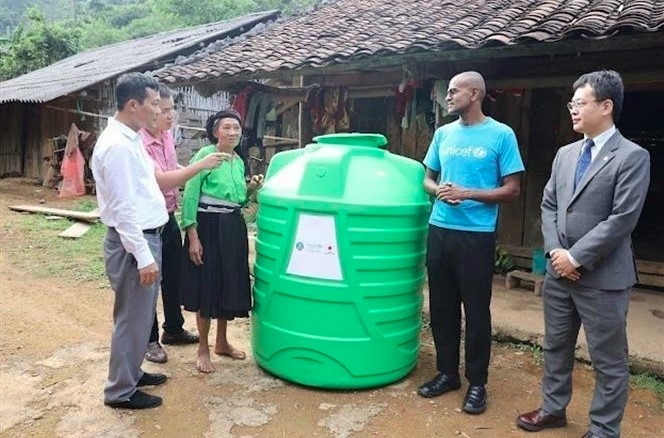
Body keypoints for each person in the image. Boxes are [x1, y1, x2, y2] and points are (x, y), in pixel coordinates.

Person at [516, 70, 650, 438]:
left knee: (609, 360)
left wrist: (576, 257)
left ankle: (605, 429)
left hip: (603, 278)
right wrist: (557, 252)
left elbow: (622, 219)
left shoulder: (632, 157)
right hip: (560, 273)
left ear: (606, 107)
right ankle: (552, 409)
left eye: (580, 103)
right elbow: (548, 205)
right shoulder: (565, 154)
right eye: (571, 103)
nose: (572, 109)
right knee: (556, 346)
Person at [93, 73, 225, 409]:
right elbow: (123, 209)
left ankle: (132, 372)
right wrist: (144, 256)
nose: (159, 110)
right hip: (135, 244)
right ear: (134, 105)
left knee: (138, 316)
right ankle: (120, 391)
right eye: (154, 104)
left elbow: (149, 185)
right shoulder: (118, 147)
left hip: (149, 236)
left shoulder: (132, 139)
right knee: (132, 318)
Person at [418, 71, 524, 415]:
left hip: (477, 235)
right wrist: (440, 192)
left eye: (453, 91)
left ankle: (477, 382)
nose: (447, 97)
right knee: (442, 308)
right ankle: (447, 373)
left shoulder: (501, 134)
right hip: (440, 230)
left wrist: (469, 193)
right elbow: (427, 178)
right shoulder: (443, 133)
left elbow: (512, 189)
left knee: (476, 312)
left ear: (474, 93)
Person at [180, 108, 264, 373]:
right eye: (226, 127)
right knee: (207, 285)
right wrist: (192, 234)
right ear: (215, 131)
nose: (232, 132)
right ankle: (203, 348)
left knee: (229, 282)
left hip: (232, 226)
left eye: (236, 128)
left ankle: (222, 343)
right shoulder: (205, 156)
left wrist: (251, 190)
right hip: (208, 226)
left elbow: (238, 202)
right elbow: (191, 195)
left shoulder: (238, 161)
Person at [140, 85, 198, 364]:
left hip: (168, 216)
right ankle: (149, 340)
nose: (169, 115)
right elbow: (161, 179)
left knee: (174, 277)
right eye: (163, 110)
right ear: (148, 111)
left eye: (172, 108)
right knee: (148, 282)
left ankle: (173, 329)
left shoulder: (165, 137)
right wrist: (200, 167)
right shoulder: (138, 143)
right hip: (146, 223)